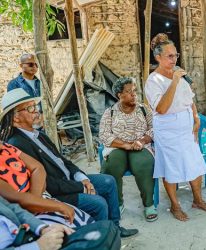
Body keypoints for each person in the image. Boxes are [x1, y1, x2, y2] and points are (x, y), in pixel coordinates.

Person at [0, 88, 137, 237]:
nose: (36, 111)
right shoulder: (16, 143)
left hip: (69, 180)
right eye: (30, 108)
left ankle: (115, 228)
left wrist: (82, 178)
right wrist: (80, 187)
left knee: (108, 181)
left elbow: (63, 161)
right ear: (15, 118)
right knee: (98, 203)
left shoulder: (39, 135)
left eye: (36, 106)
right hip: (57, 192)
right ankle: (102, 238)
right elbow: (47, 182)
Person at [145, 33, 206, 221]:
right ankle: (175, 206)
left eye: (176, 55)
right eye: (170, 56)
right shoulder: (153, 81)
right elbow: (161, 108)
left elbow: (189, 98)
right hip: (168, 130)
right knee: (171, 168)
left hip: (186, 128)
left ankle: (197, 200)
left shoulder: (181, 77)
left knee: (194, 164)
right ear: (158, 57)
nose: (174, 59)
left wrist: (195, 116)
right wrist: (174, 81)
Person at [99, 77, 157, 222]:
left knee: (144, 164)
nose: (134, 94)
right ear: (119, 95)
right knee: (112, 165)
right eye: (128, 91)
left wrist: (142, 141)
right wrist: (125, 144)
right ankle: (117, 203)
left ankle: (149, 204)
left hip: (140, 145)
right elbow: (104, 135)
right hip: (117, 147)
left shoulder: (143, 109)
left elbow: (154, 129)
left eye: (134, 91)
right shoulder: (110, 112)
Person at [0, 142, 94, 228]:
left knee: (89, 222)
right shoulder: (15, 140)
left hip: (42, 199)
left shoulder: (6, 147)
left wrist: (36, 201)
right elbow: (17, 198)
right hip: (25, 216)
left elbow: (38, 168)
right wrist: (58, 206)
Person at [0, 196, 73, 250]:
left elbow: (13, 208)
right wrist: (37, 247)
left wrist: (42, 228)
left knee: (77, 234)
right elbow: (24, 198)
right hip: (26, 246)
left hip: (28, 233)